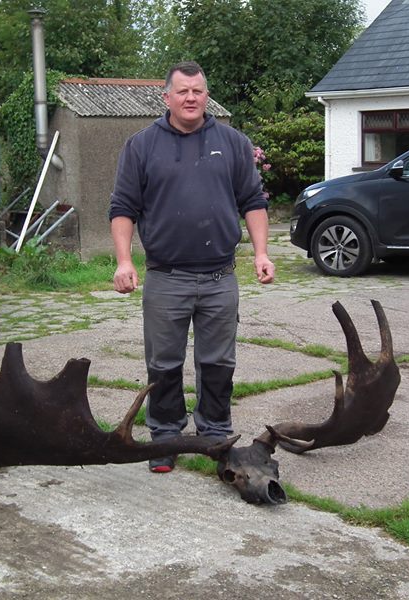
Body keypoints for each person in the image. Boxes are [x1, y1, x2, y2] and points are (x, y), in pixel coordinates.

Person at [109, 61, 274, 473]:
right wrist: (124, 261)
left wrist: (261, 253)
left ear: (206, 96)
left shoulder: (233, 143)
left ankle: (215, 435)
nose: (190, 98)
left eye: (197, 91)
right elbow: (123, 207)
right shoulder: (141, 146)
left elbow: (253, 201)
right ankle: (165, 438)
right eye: (182, 91)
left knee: (218, 363)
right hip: (166, 278)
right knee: (163, 364)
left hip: (220, 277)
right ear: (166, 97)